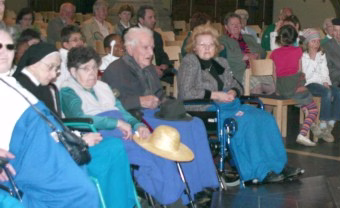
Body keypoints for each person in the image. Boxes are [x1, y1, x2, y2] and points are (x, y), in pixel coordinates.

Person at [61, 46, 207, 205]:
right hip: (100, 136)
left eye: (94, 67)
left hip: (124, 130)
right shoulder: (68, 91)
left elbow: (122, 112)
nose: (92, 73)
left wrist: (138, 125)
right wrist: (115, 123)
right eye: (85, 69)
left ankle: (176, 199)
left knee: (161, 151)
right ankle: (169, 201)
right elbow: (81, 118)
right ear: (73, 71)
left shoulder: (103, 86)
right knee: (148, 158)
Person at [5, 34, 137, 208]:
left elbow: (55, 126)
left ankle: (121, 203)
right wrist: (80, 140)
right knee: (111, 150)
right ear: (34, 63)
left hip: (58, 146)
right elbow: (41, 136)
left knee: (115, 147)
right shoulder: (23, 89)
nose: (54, 74)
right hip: (46, 157)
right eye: (51, 67)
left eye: (57, 69)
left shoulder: (47, 87)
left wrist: (77, 139)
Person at [101, 27, 220, 196]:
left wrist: (167, 103)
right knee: (179, 130)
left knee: (196, 123)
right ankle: (188, 189)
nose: (151, 53)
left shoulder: (150, 69)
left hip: (156, 113)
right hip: (135, 117)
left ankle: (206, 182)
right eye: (145, 48)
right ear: (130, 48)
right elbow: (110, 104)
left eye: (152, 48)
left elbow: (160, 95)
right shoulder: (115, 70)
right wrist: (139, 100)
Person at [178, 24, 302, 183]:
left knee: (265, 118)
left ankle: (279, 166)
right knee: (245, 121)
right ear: (194, 47)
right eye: (202, 44)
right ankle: (259, 171)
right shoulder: (190, 62)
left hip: (228, 105)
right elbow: (187, 91)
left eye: (211, 44)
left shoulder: (221, 62)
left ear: (216, 47)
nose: (207, 48)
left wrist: (233, 92)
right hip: (204, 109)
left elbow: (237, 84)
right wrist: (216, 95)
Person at [270, 25, 319, 147]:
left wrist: (277, 89)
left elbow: (274, 73)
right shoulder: (298, 51)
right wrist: (301, 85)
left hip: (281, 88)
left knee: (303, 104)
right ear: (295, 39)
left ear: (280, 38)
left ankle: (307, 116)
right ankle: (303, 134)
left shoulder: (274, 53)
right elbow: (299, 71)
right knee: (313, 109)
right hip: (294, 87)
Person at [301, 28, 340, 143]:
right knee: (327, 92)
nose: (316, 43)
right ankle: (323, 123)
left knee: (339, 92)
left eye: (318, 41)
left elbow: (325, 70)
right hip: (309, 83)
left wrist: (326, 81)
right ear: (307, 43)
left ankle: (331, 123)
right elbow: (305, 74)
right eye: (313, 41)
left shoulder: (321, 54)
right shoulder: (303, 56)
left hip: (321, 82)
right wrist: (312, 58)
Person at [219, 12, 266, 86]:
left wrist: (257, 55)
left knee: (272, 83)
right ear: (226, 27)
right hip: (237, 73)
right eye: (232, 24)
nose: (236, 26)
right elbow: (222, 56)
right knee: (259, 85)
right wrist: (244, 57)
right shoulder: (222, 40)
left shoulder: (249, 37)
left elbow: (263, 51)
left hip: (257, 69)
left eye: (238, 23)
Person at [136, 5, 174, 79]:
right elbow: (134, 58)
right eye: (150, 17)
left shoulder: (157, 36)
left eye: (154, 17)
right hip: (140, 73)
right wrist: (152, 68)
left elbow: (162, 54)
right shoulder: (131, 34)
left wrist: (165, 64)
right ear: (141, 20)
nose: (154, 20)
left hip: (158, 72)